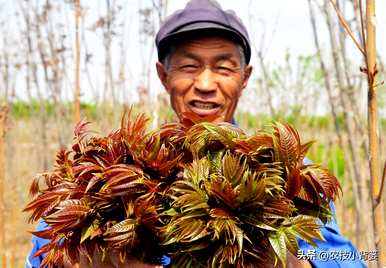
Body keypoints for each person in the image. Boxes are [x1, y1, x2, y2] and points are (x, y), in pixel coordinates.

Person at [26, 0, 366, 267]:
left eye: (223, 67)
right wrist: (86, 262)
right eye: (189, 66)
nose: (205, 85)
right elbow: (43, 254)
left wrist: (288, 263)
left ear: (244, 77)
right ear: (163, 75)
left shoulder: (286, 170)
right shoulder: (123, 166)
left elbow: (349, 261)